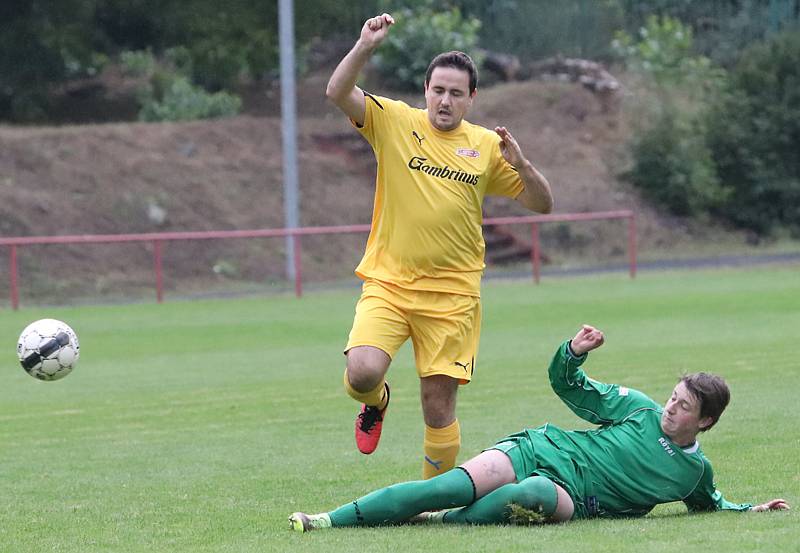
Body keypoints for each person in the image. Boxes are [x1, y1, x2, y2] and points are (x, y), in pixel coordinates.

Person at [326, 13, 554, 479]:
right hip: (389, 281)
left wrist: (524, 165)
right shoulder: (393, 122)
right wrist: (364, 48)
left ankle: (435, 503)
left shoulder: (489, 146)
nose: (444, 100)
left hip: (452, 294)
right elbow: (336, 93)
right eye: (438, 90)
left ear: (472, 98)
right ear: (425, 90)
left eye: (455, 93)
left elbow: (542, 203)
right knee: (363, 372)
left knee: (438, 404)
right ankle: (376, 402)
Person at [289, 324, 789, 531]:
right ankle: (327, 521)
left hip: (572, 495)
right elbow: (569, 386)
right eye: (672, 398)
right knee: (444, 486)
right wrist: (573, 353)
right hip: (541, 447)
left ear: (705, 421)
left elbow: (712, 503)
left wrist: (752, 509)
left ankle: (445, 524)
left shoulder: (692, 471)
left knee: (531, 493)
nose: (669, 409)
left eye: (683, 408)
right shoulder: (636, 408)